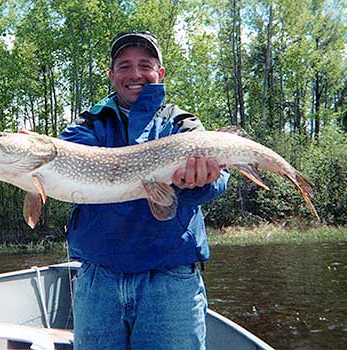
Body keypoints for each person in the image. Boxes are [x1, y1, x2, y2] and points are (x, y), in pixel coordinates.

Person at [60, 31, 230, 350]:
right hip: (100, 281)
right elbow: (68, 172)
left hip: (170, 279)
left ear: (160, 73)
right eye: (124, 66)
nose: (135, 74)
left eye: (145, 65)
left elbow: (220, 180)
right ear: (112, 76)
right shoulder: (88, 125)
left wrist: (198, 181)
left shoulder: (182, 123)